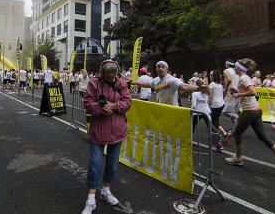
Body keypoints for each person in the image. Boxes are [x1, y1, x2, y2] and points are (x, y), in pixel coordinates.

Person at [226, 58, 275, 176]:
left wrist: (238, 94)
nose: (233, 69)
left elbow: (253, 92)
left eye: (235, 67)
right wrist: (235, 90)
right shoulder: (245, 78)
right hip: (256, 110)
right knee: (263, 136)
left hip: (249, 110)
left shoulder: (243, 77)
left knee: (237, 133)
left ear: (240, 68)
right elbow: (248, 91)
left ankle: (238, 158)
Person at [82, 60, 132, 214]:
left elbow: (128, 101)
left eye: (113, 71)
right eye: (107, 72)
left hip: (117, 131)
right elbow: (88, 102)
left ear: (116, 71)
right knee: (95, 164)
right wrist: (104, 108)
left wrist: (114, 106)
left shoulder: (122, 83)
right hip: (99, 131)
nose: (110, 74)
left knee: (112, 164)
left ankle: (106, 190)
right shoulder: (94, 83)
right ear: (102, 71)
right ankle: (91, 199)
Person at [131, 61, 209, 106]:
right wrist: (135, 82)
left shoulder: (171, 80)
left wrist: (198, 88)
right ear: (156, 69)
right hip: (161, 109)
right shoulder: (155, 80)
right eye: (158, 67)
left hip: (172, 111)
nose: (160, 68)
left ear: (167, 69)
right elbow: (148, 84)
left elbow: (184, 86)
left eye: (163, 67)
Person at [209, 70, 227, 151]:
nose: (210, 77)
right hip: (221, 103)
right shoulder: (220, 85)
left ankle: (224, 133)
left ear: (213, 76)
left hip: (216, 104)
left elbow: (210, 96)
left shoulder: (212, 84)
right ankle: (218, 137)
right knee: (217, 120)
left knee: (213, 121)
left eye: (210, 75)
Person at [222, 60, 241, 137]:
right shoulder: (237, 71)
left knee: (226, 112)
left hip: (231, 93)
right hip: (238, 93)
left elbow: (229, 80)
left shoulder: (226, 70)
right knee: (232, 112)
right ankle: (235, 129)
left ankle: (240, 120)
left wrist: (226, 89)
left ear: (227, 64)